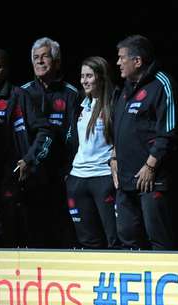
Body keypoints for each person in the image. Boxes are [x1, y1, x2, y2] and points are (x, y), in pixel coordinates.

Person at [0, 48, 52, 247]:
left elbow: (45, 130)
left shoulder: (19, 95)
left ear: (7, 69)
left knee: (16, 230)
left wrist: (29, 159)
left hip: (15, 175)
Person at [112, 34, 178, 250]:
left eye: (122, 58)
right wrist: (113, 158)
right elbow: (121, 131)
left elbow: (168, 132)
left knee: (158, 239)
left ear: (137, 61)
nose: (118, 63)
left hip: (150, 179)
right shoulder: (125, 89)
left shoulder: (162, 84)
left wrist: (151, 165)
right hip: (125, 181)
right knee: (127, 237)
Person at [21, 37, 79, 248]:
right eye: (35, 58)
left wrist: (69, 169)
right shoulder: (24, 91)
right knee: (34, 229)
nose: (40, 61)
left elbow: (75, 136)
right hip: (32, 172)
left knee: (63, 229)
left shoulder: (71, 93)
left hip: (62, 173)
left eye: (45, 56)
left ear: (57, 62)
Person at [66, 56, 118, 249]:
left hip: (103, 177)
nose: (84, 81)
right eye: (82, 76)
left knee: (114, 239)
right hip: (78, 177)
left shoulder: (114, 101)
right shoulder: (80, 103)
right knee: (88, 241)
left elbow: (120, 138)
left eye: (89, 76)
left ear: (101, 77)